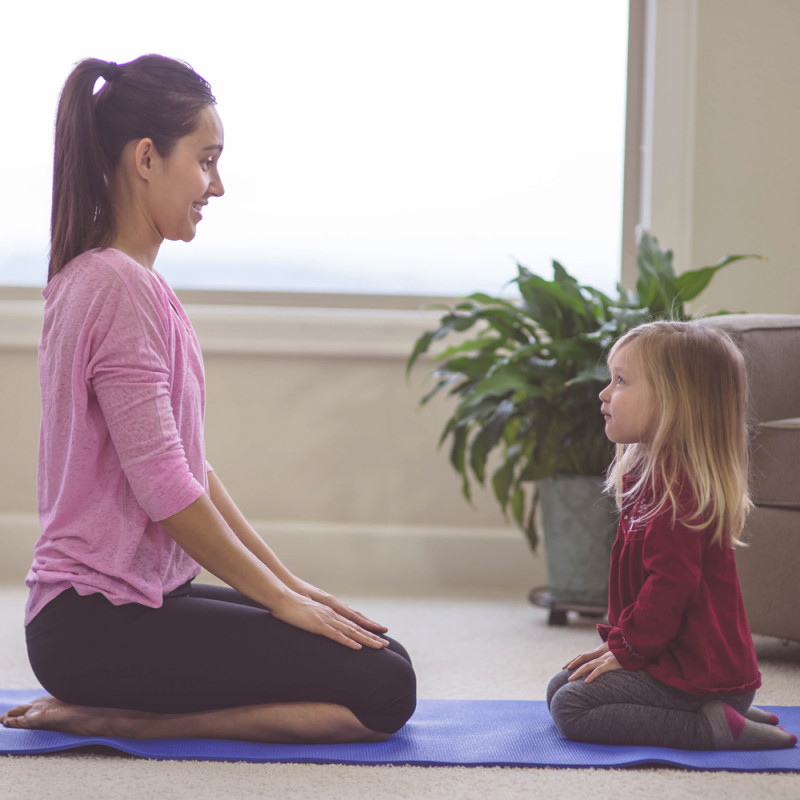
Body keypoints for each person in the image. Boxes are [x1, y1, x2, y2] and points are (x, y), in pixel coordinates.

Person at [0, 55, 415, 744]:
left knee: (379, 655)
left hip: (132, 603)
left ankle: (132, 709)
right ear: (145, 158)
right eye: (206, 159)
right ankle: (121, 721)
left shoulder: (121, 281)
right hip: (96, 622)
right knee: (384, 690)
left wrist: (295, 588)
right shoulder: (115, 287)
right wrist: (277, 599)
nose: (216, 185)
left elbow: (190, 468)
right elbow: (166, 488)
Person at [546, 320, 796, 750]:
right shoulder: (650, 471)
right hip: (681, 665)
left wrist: (627, 653)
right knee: (561, 686)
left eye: (621, 381)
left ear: (674, 402)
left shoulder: (676, 488)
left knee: (571, 709)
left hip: (694, 673)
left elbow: (669, 587)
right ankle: (723, 708)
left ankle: (713, 724)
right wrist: (622, 649)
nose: (604, 394)